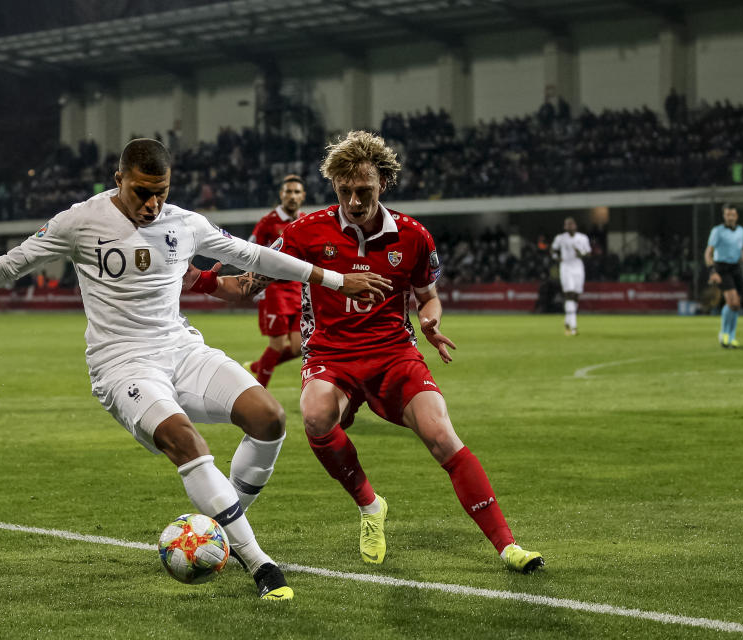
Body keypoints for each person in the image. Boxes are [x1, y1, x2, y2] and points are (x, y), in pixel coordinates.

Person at [0, 138, 392, 600]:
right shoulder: (80, 221)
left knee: (269, 418)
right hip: (122, 364)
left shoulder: (184, 223)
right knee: (186, 442)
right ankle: (260, 562)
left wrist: (335, 279)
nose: (152, 205)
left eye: (161, 193)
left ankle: (221, 522)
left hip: (181, 349)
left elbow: (253, 255)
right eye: (141, 192)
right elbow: (11, 264)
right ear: (117, 178)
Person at [192, 131, 543, 573]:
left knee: (441, 435)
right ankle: (370, 505)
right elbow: (246, 285)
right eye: (345, 191)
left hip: (394, 353)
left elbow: (428, 296)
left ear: (384, 184)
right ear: (334, 186)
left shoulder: (414, 236)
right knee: (316, 417)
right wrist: (197, 279)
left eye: (365, 191)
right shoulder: (303, 232)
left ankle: (509, 546)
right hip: (331, 356)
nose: (355, 201)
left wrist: (432, 319)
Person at [244, 174, 308, 387]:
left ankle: (259, 365)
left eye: (296, 192)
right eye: (288, 192)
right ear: (281, 195)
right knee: (278, 344)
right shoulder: (268, 223)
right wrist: (256, 285)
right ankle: (259, 389)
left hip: (298, 289)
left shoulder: (305, 220)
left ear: (303, 196)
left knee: (300, 346)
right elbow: (251, 252)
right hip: (275, 290)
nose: (292, 196)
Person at [705, 203, 743, 348]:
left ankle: (732, 337)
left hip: (735, 268)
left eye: (733, 214)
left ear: (737, 216)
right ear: (724, 215)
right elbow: (708, 253)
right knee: (732, 302)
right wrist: (713, 271)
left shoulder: (741, 231)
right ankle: (723, 334)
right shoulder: (717, 231)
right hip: (721, 268)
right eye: (728, 214)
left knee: (737, 305)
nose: (730, 217)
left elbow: (742, 252)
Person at [550, 217, 591, 336]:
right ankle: (573, 327)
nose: (569, 226)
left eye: (571, 224)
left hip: (578, 268)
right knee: (569, 294)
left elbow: (588, 253)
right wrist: (556, 258)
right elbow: (552, 249)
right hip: (566, 267)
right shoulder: (560, 238)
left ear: (575, 226)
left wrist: (581, 254)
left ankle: (567, 321)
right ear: (565, 227)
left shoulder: (582, 238)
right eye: (567, 225)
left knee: (576, 296)